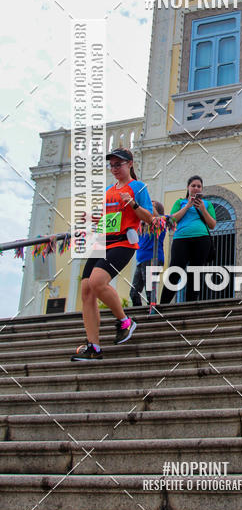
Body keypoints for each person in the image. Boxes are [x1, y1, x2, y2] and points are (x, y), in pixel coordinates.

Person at [71, 148, 154, 362]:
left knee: (98, 281)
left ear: (130, 164)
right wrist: (93, 218)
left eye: (119, 164)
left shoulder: (138, 187)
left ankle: (125, 321)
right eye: (112, 165)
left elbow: (150, 218)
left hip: (124, 242)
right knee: (86, 290)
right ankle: (94, 347)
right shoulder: (109, 191)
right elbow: (109, 220)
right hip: (103, 241)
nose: (115, 168)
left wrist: (133, 204)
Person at [160, 175, 216, 304]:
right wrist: (187, 206)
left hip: (202, 239)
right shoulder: (180, 202)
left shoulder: (207, 204)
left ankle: (190, 305)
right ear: (188, 187)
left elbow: (212, 225)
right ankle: (163, 304)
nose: (196, 188)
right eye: (193, 185)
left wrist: (202, 209)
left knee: (195, 272)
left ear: (202, 189)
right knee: (175, 270)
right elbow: (171, 220)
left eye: (199, 186)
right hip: (181, 239)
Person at [130, 200, 165, 306]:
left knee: (150, 291)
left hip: (153, 258)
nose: (148, 207)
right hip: (141, 260)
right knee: (134, 293)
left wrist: (147, 203)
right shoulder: (141, 226)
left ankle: (153, 312)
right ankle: (140, 314)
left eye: (152, 206)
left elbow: (157, 217)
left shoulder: (160, 223)